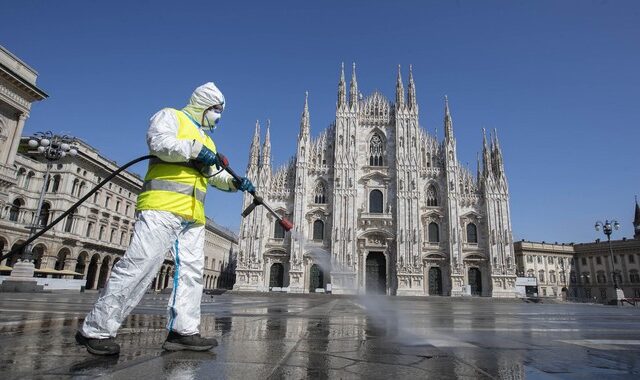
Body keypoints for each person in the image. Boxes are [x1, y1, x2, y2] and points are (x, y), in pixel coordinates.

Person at [75, 82, 254, 355]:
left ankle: (183, 331)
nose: (218, 115)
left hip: (193, 216)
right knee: (140, 266)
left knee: (191, 276)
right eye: (216, 109)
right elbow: (159, 143)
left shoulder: (207, 139)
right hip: (161, 207)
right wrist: (193, 149)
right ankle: (97, 329)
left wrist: (234, 183)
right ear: (204, 105)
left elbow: (212, 174)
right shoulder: (172, 116)